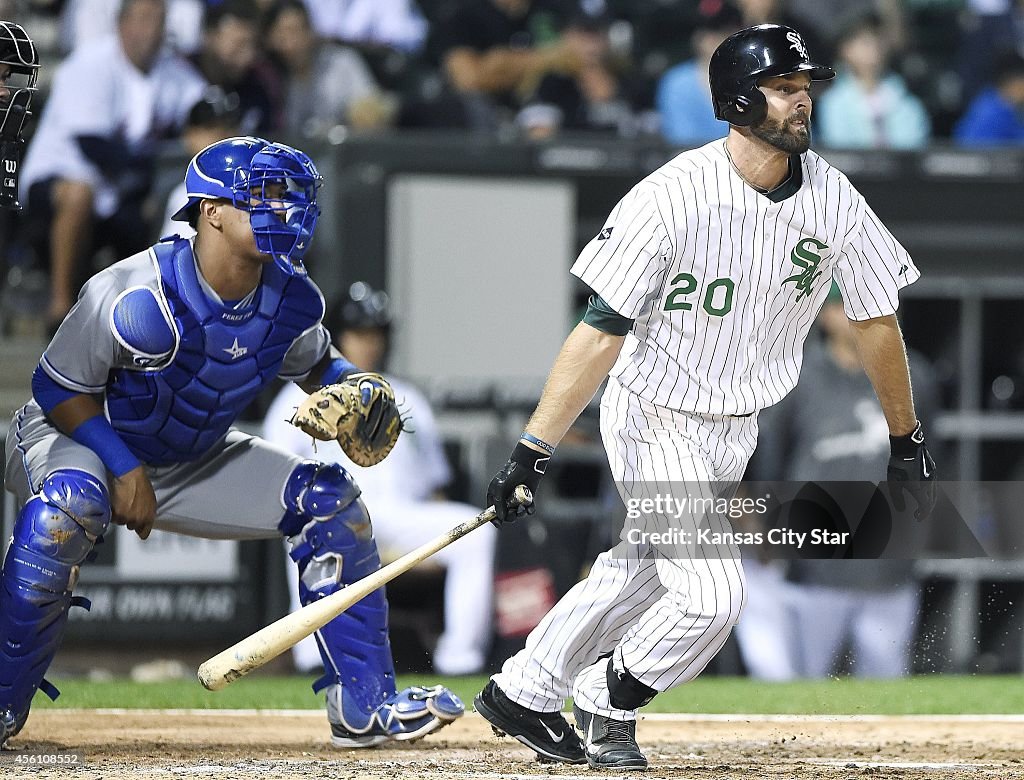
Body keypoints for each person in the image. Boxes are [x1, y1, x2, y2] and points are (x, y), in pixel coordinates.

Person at [474, 24, 936, 771]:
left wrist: (905, 438)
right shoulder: (672, 196)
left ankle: (524, 690)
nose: (801, 102)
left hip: (734, 424)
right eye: (784, 88)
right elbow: (598, 333)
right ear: (738, 99)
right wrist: (534, 450)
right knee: (715, 596)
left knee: (642, 570)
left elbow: (877, 320)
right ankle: (605, 699)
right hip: (655, 410)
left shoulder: (834, 197)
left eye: (803, 88)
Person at [0, 136, 463, 746]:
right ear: (211, 210)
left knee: (329, 500)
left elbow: (319, 365)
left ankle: (364, 706)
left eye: (292, 198)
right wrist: (122, 466)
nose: (287, 212)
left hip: (189, 456)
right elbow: (55, 388)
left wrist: (359, 387)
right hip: (81, 436)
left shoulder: (291, 295)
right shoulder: (134, 294)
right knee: (67, 509)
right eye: (267, 197)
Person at [265, 282, 497, 676]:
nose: (370, 344)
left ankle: (461, 661)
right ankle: (312, 656)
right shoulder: (296, 398)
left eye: (376, 334)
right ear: (337, 336)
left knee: (477, 531)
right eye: (360, 334)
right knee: (307, 520)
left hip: (399, 518)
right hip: (335, 514)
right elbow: (273, 477)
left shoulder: (406, 398)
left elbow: (435, 490)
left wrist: (419, 555)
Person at [746, 282, 940, 678]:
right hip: (815, 561)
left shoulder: (914, 373)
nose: (864, 315)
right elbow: (768, 457)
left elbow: (928, 453)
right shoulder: (795, 374)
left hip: (889, 559)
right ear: (825, 314)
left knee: (886, 682)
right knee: (804, 683)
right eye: (847, 306)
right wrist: (768, 526)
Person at [19, 0, 206, 330]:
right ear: (121, 24)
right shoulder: (91, 63)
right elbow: (94, 147)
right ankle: (60, 307)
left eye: (159, 21)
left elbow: (204, 112)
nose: (152, 30)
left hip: (120, 190)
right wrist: (156, 165)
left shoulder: (172, 71)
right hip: (56, 182)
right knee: (80, 194)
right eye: (143, 20)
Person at [263, 0, 394, 139]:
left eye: (296, 31)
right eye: (282, 33)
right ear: (269, 38)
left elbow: (371, 113)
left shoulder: (341, 62)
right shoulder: (265, 75)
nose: (291, 42)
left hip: (341, 152)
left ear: (310, 31)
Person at [816, 14, 930, 150]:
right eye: (865, 42)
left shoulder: (908, 103)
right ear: (846, 50)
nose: (875, 48)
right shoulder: (832, 103)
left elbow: (914, 149)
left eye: (879, 40)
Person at [656, 0, 742, 146]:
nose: (712, 39)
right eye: (708, 31)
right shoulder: (677, 83)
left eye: (724, 31)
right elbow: (682, 142)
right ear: (696, 36)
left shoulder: (755, 80)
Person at [160, 89, 242, 240]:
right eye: (210, 127)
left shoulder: (264, 184)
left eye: (227, 126)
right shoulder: (181, 194)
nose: (220, 136)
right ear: (189, 136)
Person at [190, 0, 281, 134]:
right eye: (239, 45)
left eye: (253, 46)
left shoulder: (259, 87)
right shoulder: (181, 77)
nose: (249, 56)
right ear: (210, 36)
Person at [954, 52, 1024, 146]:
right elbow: (974, 147)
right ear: (1014, 83)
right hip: (979, 158)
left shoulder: (1008, 107)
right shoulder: (990, 110)